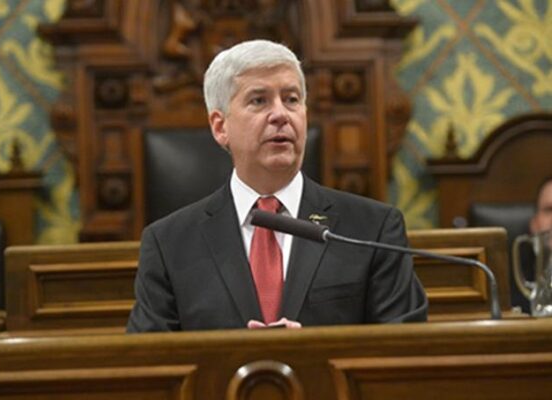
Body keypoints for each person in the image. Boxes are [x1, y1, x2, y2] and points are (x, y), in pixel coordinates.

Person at [127, 39, 427, 332]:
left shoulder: (372, 230)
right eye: (259, 100)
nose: (281, 114)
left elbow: (406, 353)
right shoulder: (169, 243)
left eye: (292, 99)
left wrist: (312, 352)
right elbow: (149, 366)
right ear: (220, 127)